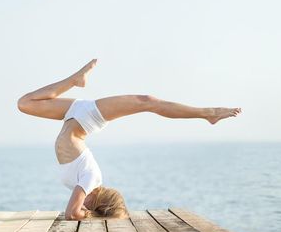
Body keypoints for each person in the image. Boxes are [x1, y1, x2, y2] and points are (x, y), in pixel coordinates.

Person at [17, 59, 241, 220]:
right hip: (87, 118)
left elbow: (74, 211)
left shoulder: (85, 186)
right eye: (91, 210)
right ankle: (209, 113)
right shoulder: (91, 181)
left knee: (24, 103)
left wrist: (85, 214)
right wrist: (84, 214)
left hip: (73, 116)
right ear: (97, 204)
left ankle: (75, 79)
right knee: (147, 101)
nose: (85, 207)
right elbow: (72, 213)